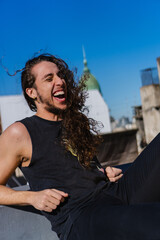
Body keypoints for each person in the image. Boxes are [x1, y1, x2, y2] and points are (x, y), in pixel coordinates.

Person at [1, 54, 160, 240]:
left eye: (60, 76)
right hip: (82, 216)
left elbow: (79, 169)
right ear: (32, 92)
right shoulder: (20, 132)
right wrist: (31, 197)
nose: (60, 81)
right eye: (49, 78)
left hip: (114, 193)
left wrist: (101, 172)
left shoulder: (76, 122)